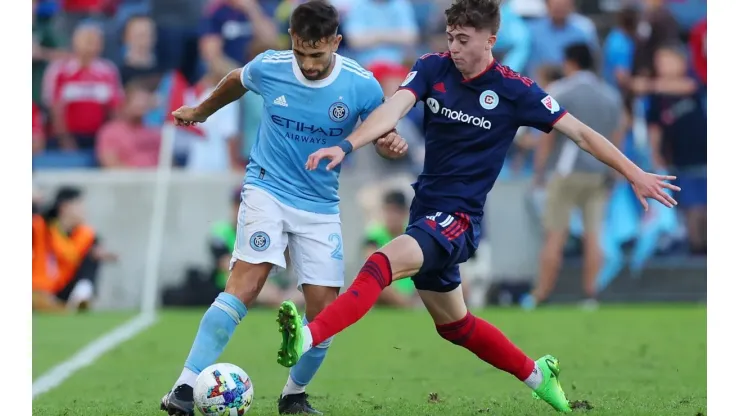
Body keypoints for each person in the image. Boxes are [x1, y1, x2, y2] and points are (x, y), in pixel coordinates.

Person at [275, 0, 680, 413]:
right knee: (455, 326)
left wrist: (635, 172)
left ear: (491, 40)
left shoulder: (515, 90)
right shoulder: (433, 67)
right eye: (450, 36)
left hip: (459, 220)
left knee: (381, 262)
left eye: (464, 40)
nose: (454, 46)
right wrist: (347, 145)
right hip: (426, 212)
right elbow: (392, 110)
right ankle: (540, 376)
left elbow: (580, 133)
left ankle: (308, 337)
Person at [159, 2, 408, 415]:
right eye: (300, 53)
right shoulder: (270, 66)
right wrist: (201, 110)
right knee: (246, 283)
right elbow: (238, 79)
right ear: (291, 41)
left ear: (335, 42)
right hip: (266, 189)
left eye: (318, 54)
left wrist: (389, 143)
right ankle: (184, 390)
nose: (308, 64)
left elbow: (382, 130)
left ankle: (293, 396)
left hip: (320, 204)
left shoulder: (361, 84)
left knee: (325, 311)